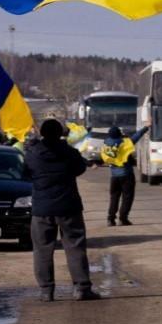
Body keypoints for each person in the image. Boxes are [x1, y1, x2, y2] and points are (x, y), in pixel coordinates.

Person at [24, 118, 99, 302]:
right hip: (68, 206)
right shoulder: (70, 152)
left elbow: (25, 174)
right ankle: (82, 288)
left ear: (42, 133)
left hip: (42, 209)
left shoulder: (32, 154)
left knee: (42, 250)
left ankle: (46, 291)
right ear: (61, 133)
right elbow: (80, 169)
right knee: (75, 247)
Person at [100, 123, 150, 225]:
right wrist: (146, 127)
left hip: (114, 176)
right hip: (126, 174)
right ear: (119, 134)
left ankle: (110, 219)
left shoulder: (106, 145)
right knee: (127, 197)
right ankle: (123, 218)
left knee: (114, 197)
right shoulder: (124, 143)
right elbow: (137, 135)